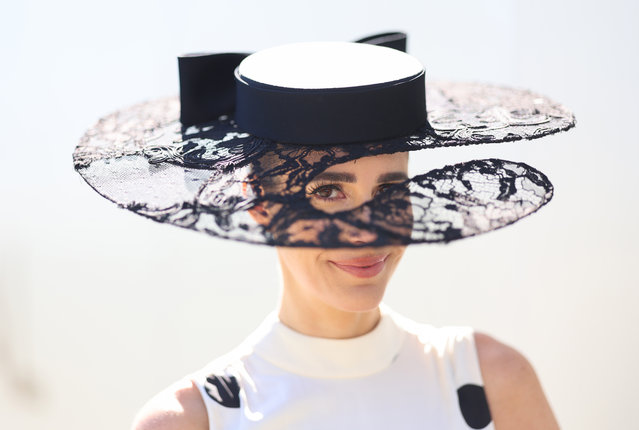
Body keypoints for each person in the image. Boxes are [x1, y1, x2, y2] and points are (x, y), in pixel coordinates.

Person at [73, 33, 574, 429]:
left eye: (390, 191)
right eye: (329, 192)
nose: (368, 231)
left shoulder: (491, 380)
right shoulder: (196, 421)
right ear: (258, 200)